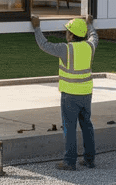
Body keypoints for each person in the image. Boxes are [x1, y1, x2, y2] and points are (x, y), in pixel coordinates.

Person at [30, 14, 98, 170]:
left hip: (70, 95)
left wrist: (37, 27)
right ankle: (89, 159)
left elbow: (44, 45)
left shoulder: (65, 49)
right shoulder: (90, 46)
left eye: (67, 31)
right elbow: (94, 36)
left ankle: (69, 162)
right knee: (87, 126)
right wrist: (90, 24)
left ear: (72, 35)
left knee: (70, 128)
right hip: (86, 94)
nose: (66, 34)